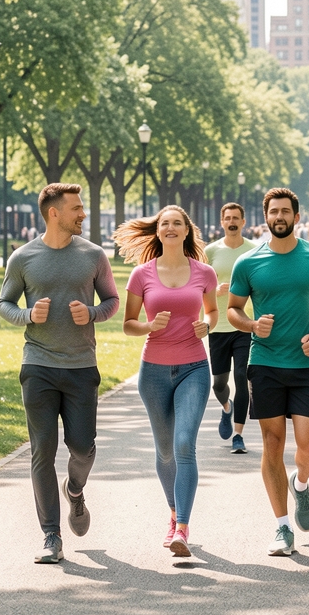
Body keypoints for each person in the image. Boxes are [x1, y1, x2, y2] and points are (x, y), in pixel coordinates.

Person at [0, 183, 120, 565]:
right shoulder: (23, 257)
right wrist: (27, 316)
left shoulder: (93, 255)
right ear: (54, 213)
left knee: (82, 447)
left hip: (82, 366)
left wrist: (94, 312)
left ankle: (76, 489)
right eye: (77, 209)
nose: (83, 214)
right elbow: (4, 302)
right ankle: (51, 535)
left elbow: (113, 300)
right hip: (38, 366)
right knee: (41, 452)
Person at [228, 188, 309, 557]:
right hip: (264, 364)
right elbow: (233, 309)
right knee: (272, 445)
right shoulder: (248, 262)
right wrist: (250, 326)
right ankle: (282, 527)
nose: (279, 216)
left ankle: (302, 483)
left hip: (307, 365)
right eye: (273, 211)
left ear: (296, 216)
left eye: (285, 211)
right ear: (265, 217)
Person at [114, 206, 217, 560]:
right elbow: (128, 323)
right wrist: (148, 326)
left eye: (177, 223)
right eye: (164, 224)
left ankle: (183, 528)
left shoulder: (204, 272)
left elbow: (213, 310)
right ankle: (173, 514)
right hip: (154, 372)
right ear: (157, 232)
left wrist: (208, 324)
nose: (170, 227)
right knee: (165, 451)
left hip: (193, 368)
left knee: (185, 443)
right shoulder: (141, 275)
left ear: (187, 231)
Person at [205, 203, 258, 453]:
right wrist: (214, 292)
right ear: (222, 222)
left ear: (243, 222)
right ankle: (227, 407)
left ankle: (239, 435)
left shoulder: (254, 250)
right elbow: (199, 287)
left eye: (236, 218)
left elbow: (260, 285)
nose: (232, 222)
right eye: (228, 218)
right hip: (218, 325)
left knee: (241, 377)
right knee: (218, 383)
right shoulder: (210, 251)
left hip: (243, 324)